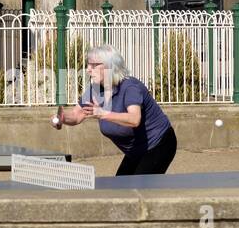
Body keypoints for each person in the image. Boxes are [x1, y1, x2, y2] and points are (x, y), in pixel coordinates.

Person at [53, 45, 177, 176]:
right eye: (88, 65)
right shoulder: (96, 89)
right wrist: (62, 118)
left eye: (94, 65)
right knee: (120, 187)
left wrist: (103, 113)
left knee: (139, 188)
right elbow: (76, 115)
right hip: (135, 150)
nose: (88, 70)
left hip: (159, 144)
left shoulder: (130, 87)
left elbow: (134, 119)